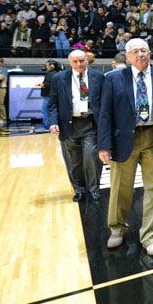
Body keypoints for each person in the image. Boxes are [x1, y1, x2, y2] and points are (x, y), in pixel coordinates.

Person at [98, 38, 153, 256]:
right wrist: (104, 145)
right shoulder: (113, 79)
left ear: (149, 53)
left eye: (144, 50)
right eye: (135, 51)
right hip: (124, 139)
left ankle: (150, 235)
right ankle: (117, 230)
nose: (140, 55)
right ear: (127, 56)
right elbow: (105, 114)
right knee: (120, 188)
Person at [49, 49, 104, 202]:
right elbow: (53, 103)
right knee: (73, 162)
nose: (79, 64)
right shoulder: (59, 78)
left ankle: (94, 189)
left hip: (90, 124)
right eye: (75, 61)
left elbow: (105, 103)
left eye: (81, 60)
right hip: (69, 125)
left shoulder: (98, 77)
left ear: (87, 60)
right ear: (70, 62)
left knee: (91, 158)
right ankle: (79, 189)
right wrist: (53, 122)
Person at [36, 59, 60, 131]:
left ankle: (47, 126)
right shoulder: (56, 74)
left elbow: (49, 84)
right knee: (51, 111)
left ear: (52, 66)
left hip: (48, 96)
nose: (46, 67)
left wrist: (42, 85)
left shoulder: (51, 75)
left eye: (47, 66)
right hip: (52, 95)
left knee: (46, 110)